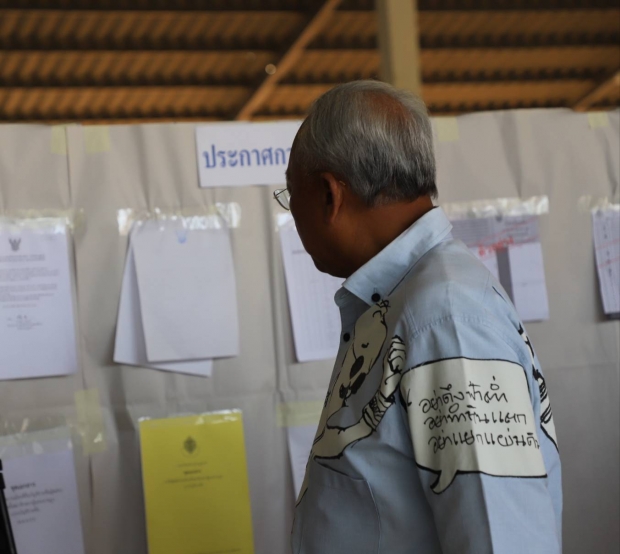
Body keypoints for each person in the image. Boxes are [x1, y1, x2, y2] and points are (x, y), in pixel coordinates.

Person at [275, 80, 562, 554]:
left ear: (330, 194)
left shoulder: (445, 317)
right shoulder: (407, 302)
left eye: (290, 196)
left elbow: (500, 540)